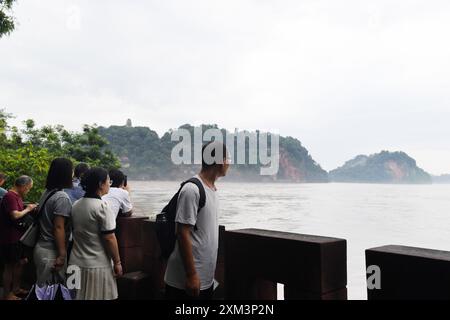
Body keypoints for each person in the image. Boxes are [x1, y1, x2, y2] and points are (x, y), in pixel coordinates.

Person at [164, 141, 230, 300]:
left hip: (205, 279)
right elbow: (182, 232)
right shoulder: (192, 189)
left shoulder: (212, 190)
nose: (229, 163)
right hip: (185, 280)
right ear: (219, 161)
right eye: (227, 158)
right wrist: (192, 275)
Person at [69, 167, 123, 300]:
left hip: (74, 263)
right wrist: (117, 262)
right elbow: (110, 237)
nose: (109, 184)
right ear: (100, 184)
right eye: (108, 181)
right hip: (97, 267)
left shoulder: (76, 204)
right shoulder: (102, 207)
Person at [33, 158, 73, 285]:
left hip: (41, 248)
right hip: (52, 252)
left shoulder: (47, 192)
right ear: (65, 174)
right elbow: (58, 227)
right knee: (52, 292)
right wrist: (62, 254)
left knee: (44, 290)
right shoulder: (62, 197)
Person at [0, 176, 36, 300]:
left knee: (21, 262)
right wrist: (28, 209)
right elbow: (15, 215)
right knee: (9, 266)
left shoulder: (16, 197)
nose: (28, 191)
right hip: (9, 237)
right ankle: (6, 294)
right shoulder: (10, 196)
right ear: (24, 186)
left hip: (17, 237)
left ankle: (15, 288)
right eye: (28, 188)